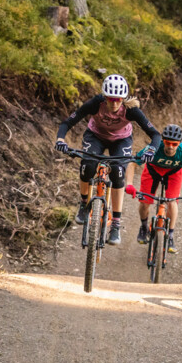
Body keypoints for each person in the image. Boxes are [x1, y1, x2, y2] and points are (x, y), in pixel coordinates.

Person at [54, 74, 162, 245]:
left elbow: (155, 135)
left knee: (118, 172)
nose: (114, 104)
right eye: (110, 100)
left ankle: (116, 224)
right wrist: (60, 140)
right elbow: (67, 123)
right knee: (88, 164)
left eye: (118, 100)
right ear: (104, 97)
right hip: (95, 136)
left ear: (123, 98)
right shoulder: (96, 103)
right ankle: (83, 204)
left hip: (121, 140)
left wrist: (151, 150)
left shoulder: (131, 110)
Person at [124, 124, 182, 253]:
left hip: (174, 173)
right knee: (145, 201)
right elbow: (133, 163)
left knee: (172, 202)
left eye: (174, 144)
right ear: (163, 140)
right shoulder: (154, 147)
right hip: (153, 170)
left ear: (179, 143)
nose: (170, 147)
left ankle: (171, 235)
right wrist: (129, 184)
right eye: (167, 143)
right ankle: (144, 226)